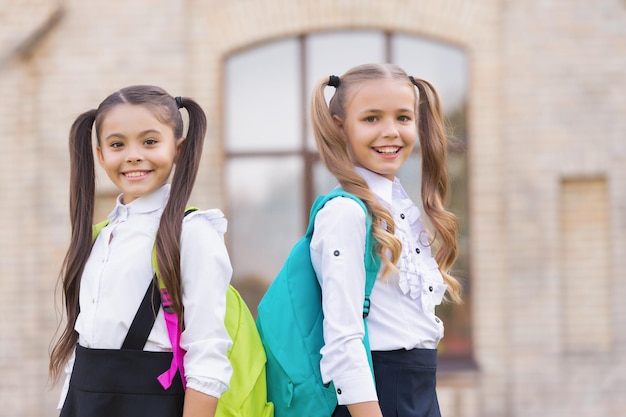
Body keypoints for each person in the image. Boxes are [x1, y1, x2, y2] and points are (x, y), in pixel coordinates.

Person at [49, 85, 233, 417]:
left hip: (151, 403)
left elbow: (207, 355)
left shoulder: (193, 233)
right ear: (100, 154)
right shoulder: (99, 237)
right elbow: (82, 347)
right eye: (117, 144)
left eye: (149, 141)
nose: (133, 155)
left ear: (178, 148)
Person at [309, 63, 462, 417]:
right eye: (372, 119)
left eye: (403, 118)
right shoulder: (346, 213)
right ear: (339, 128)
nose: (391, 132)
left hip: (418, 391)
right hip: (376, 399)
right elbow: (343, 339)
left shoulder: (402, 209)